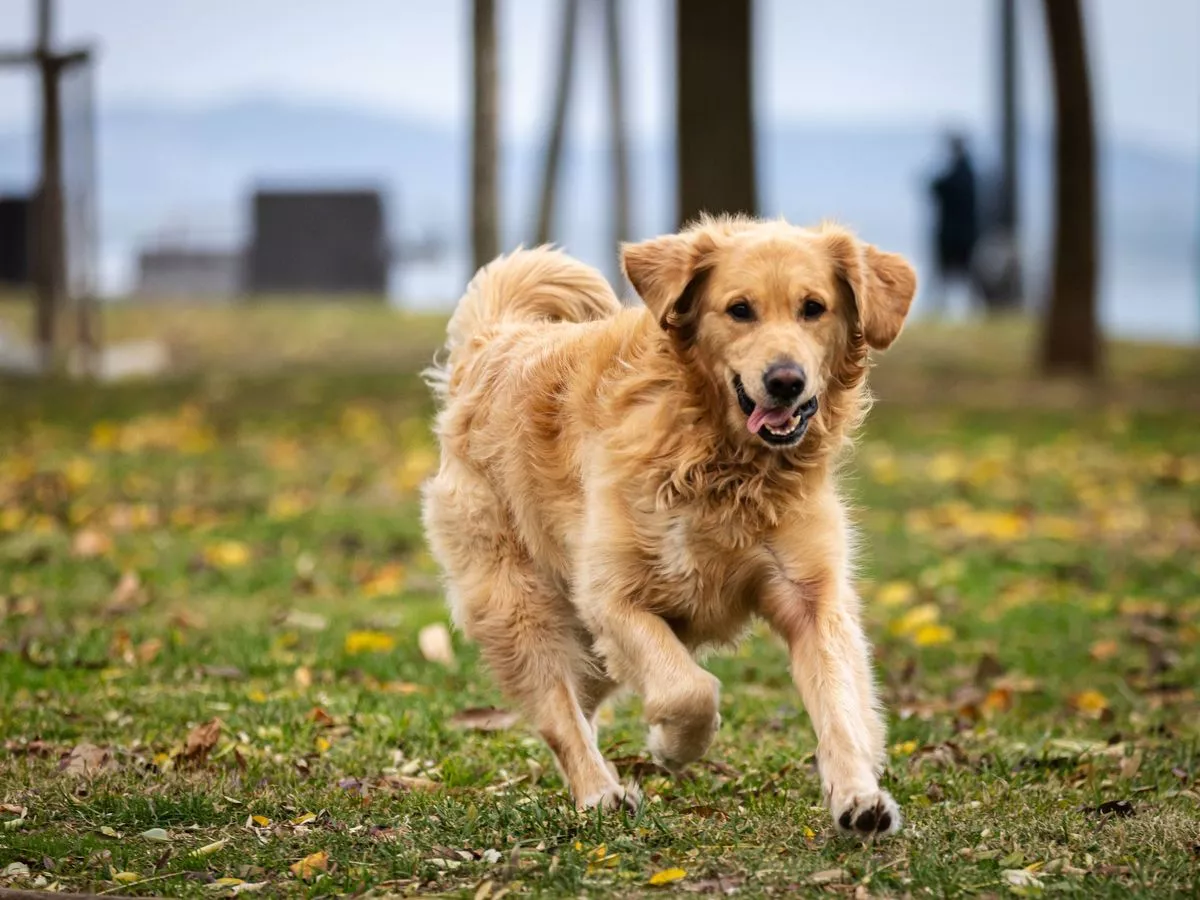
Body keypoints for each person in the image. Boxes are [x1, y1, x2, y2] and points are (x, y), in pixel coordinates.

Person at [927, 133, 979, 316]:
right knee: (959, 277)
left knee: (949, 276)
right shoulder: (968, 172)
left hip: (954, 235)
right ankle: (942, 309)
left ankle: (942, 310)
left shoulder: (961, 173)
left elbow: (936, 187)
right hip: (964, 234)